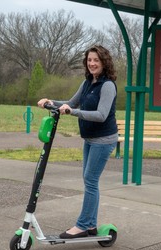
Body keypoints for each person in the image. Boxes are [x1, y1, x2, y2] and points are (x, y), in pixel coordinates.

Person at [37, 45, 118, 239]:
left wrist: (72, 112)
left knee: (90, 181)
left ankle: (82, 225)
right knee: (90, 181)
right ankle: (90, 225)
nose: (92, 63)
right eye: (89, 60)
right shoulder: (88, 82)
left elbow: (101, 115)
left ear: (104, 62)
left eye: (96, 60)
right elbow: (71, 103)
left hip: (104, 139)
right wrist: (50, 102)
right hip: (90, 139)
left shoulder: (107, 85)